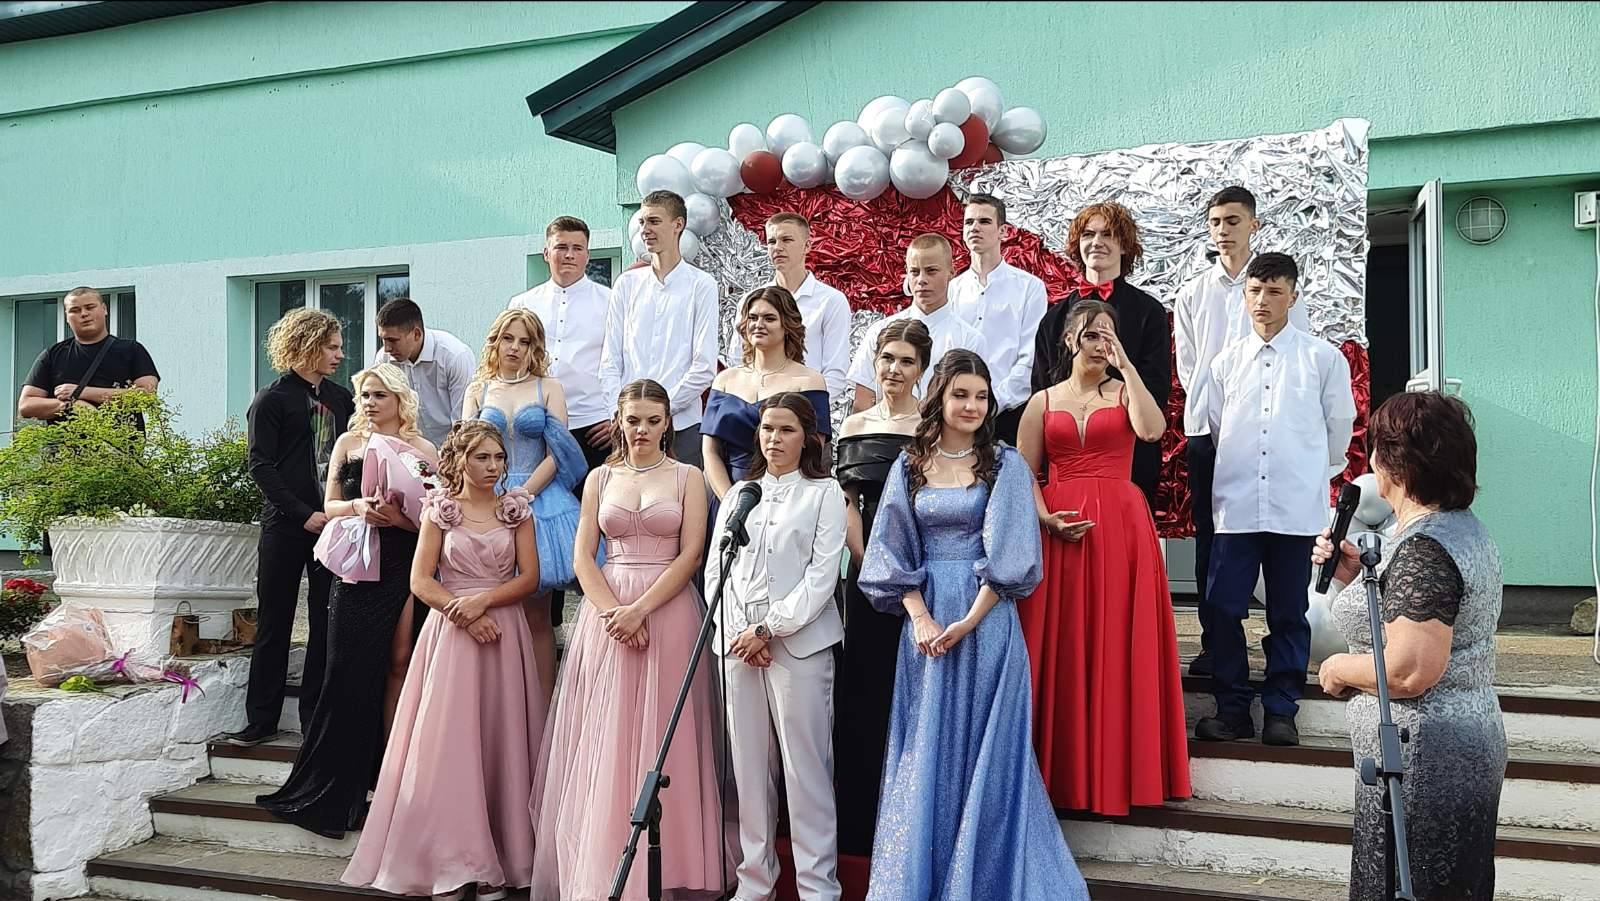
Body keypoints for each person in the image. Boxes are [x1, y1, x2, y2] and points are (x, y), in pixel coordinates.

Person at [859, 350, 1088, 900]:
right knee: (926, 751)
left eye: (982, 397)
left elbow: (1011, 552)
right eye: (961, 394)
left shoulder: (1004, 464)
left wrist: (967, 621)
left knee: (992, 755)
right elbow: (890, 549)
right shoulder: (909, 465)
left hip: (987, 622)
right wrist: (920, 618)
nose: (972, 406)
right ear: (940, 397)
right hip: (926, 628)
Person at [531, 379, 726, 901]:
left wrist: (640, 610)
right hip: (608, 614)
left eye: (652, 421)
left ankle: (676, 863)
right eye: (633, 419)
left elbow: (691, 555)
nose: (641, 429)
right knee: (608, 732)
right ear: (618, 420)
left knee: (667, 731)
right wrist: (614, 613)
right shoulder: (599, 477)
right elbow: (582, 556)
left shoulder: (688, 477)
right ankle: (604, 861)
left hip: (669, 611)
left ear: (668, 424)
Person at [343, 420, 546, 901]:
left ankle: (501, 860)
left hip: (504, 633)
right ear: (459, 461)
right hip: (452, 637)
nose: (494, 466)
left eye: (499, 457)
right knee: (450, 749)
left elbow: (530, 578)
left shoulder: (516, 510)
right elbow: (420, 580)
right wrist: (464, 614)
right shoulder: (440, 510)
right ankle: (451, 864)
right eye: (483, 457)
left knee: (500, 744)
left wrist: (484, 603)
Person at [1313, 392, 1504, 901]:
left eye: (1376, 450)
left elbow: (1408, 670)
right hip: (1452, 744)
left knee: (1409, 886)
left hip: (1422, 758)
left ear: (1394, 465)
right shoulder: (1458, 530)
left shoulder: (1425, 549)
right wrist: (1355, 578)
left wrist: (1338, 667)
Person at [1016, 299, 1190, 815]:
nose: (1099, 343)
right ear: (1069, 340)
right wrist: (1045, 518)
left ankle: (1119, 772)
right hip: (1057, 530)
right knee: (1063, 643)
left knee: (1115, 639)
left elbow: (1152, 431)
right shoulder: (1042, 401)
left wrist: (1128, 366)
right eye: (1090, 334)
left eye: (1107, 335)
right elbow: (1023, 472)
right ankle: (1057, 774)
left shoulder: (1124, 390)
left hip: (1119, 528)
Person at [258, 363, 438, 838]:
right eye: (365, 396)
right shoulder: (347, 442)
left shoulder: (424, 450)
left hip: (404, 559)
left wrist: (398, 520)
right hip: (358, 563)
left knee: (400, 662)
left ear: (399, 399)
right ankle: (340, 781)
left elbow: (436, 515)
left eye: (379, 395)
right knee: (346, 667)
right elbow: (330, 505)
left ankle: (392, 773)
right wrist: (359, 507)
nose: (370, 403)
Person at [1196, 253, 1355, 747]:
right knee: (1223, 608)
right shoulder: (1225, 363)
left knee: (1288, 611)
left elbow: (1339, 428)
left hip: (1294, 508)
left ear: (1293, 296)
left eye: (1274, 291)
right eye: (1254, 291)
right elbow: (1218, 429)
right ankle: (1232, 708)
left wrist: (1309, 473)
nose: (1262, 301)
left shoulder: (1322, 358)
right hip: (1237, 506)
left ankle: (1282, 709)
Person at [706, 392, 846, 901]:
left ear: (807, 437)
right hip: (738, 648)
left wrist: (768, 630)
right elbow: (716, 574)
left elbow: (822, 577)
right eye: (767, 429)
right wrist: (740, 632)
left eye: (786, 430)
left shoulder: (824, 493)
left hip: (799, 647)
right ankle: (754, 880)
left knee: (805, 770)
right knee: (748, 769)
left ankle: (817, 887)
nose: (774, 439)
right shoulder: (740, 496)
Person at [1174, 186, 1311, 678]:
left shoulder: (1276, 285)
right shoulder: (1193, 293)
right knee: (1212, 539)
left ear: (1254, 224)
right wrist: (1214, 419)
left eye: (1232, 221)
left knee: (1276, 541)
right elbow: (1190, 368)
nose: (1222, 230)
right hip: (1210, 432)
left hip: (1270, 433)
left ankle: (1281, 650)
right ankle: (1216, 644)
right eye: (1215, 222)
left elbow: (1297, 354)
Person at [219, 309, 353, 748]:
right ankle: (261, 721)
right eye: (331, 346)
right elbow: (260, 465)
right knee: (274, 623)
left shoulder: (342, 399)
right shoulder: (271, 399)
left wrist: (339, 511)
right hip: (285, 526)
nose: (339, 354)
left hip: (331, 527)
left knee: (325, 622)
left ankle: (315, 720)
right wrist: (301, 513)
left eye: (338, 346)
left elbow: (351, 461)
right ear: (307, 345)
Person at [832, 319, 929, 858]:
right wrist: (866, 562)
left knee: (913, 688)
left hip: (920, 570)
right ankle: (862, 822)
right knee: (865, 687)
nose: (894, 369)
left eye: (906, 361)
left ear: (921, 370)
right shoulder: (853, 425)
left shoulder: (932, 426)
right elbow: (847, 501)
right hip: (866, 573)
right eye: (887, 358)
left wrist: (903, 569)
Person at [463, 309, 585, 702]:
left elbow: (558, 454)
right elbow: (466, 452)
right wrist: (494, 495)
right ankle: (500, 704)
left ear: (535, 347)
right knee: (492, 609)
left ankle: (542, 711)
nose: (515, 347)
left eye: (524, 341)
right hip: (486, 498)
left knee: (536, 617)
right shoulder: (478, 389)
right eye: (508, 338)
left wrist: (522, 494)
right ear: (495, 341)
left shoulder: (549, 387)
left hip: (541, 501)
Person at [1032, 203, 1171, 510]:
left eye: (1108, 234)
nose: (1097, 242)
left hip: (1130, 465)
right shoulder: (1054, 318)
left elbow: (1156, 389)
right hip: (1068, 466)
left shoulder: (1149, 312)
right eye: (1088, 234)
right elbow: (1042, 389)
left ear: (1125, 246)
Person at [600, 190, 720, 466]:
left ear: (678, 224)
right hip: (630, 428)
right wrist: (623, 412)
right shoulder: (626, 284)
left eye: (654, 221)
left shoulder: (701, 285)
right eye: (642, 222)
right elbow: (609, 361)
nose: (645, 230)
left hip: (683, 426)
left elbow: (704, 367)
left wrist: (659, 412)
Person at [509, 216, 618, 472]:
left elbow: (625, 361)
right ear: (546, 253)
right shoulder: (522, 304)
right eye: (561, 247)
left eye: (577, 248)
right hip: (535, 422)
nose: (569, 255)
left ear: (587, 256)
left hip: (594, 425)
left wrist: (618, 415)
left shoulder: (611, 301)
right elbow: (508, 361)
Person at [702, 286, 831, 500]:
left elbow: (812, 450)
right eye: (753, 318)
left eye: (769, 318)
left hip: (785, 498)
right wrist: (729, 501)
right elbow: (710, 451)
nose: (758, 324)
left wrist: (774, 502)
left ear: (787, 326)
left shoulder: (809, 381)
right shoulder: (724, 380)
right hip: (727, 495)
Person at [949, 194, 1047, 445]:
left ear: (1003, 231)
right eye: (969, 222)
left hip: (1010, 414)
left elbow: (1030, 356)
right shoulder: (951, 290)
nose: (975, 228)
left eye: (984, 221)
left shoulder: (1029, 287)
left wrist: (993, 402)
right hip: (956, 413)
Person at [849, 234, 986, 412]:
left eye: (931, 271)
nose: (922, 280)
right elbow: (863, 400)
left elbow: (971, 403)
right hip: (885, 427)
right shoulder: (880, 330)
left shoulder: (969, 339)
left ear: (951, 272)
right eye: (915, 272)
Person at [18, 286, 159, 422]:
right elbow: (26, 405)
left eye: (90, 307)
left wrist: (81, 392)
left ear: (104, 309)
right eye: (75, 310)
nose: (84, 314)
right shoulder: (53, 355)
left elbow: (146, 395)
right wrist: (70, 406)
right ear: (66, 317)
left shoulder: (132, 350)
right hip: (64, 439)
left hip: (120, 438)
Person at [759, 212, 852, 407]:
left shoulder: (831, 301)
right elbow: (740, 360)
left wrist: (803, 414)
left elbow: (836, 371)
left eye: (787, 240)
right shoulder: (753, 300)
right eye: (771, 241)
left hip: (807, 413)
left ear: (807, 246)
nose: (778, 247)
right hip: (757, 410)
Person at [373, 297, 476, 449]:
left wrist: (451, 456)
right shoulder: (384, 358)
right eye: (383, 340)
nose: (387, 348)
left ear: (416, 334)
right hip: (407, 449)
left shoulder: (455, 356)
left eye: (393, 340)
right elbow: (382, 413)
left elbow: (464, 422)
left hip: (452, 449)